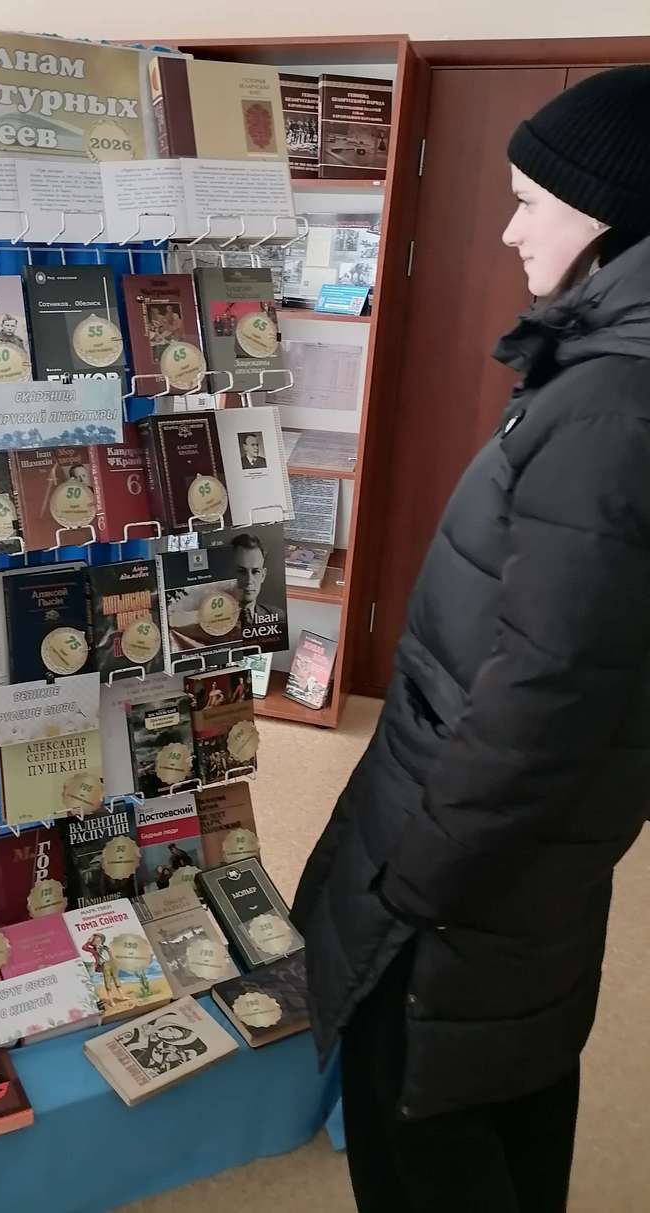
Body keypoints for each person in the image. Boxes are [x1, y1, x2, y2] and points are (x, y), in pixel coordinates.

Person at [290, 67, 650, 1213]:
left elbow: (547, 699)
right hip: (514, 867)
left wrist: (414, 876)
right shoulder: (604, 373)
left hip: (458, 876)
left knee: (428, 1121)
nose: (506, 230)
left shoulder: (610, 410)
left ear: (607, 218)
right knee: (508, 1083)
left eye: (528, 202)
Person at [231, 532, 283, 629]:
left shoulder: (279, 617)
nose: (249, 580)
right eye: (241, 571)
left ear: (263, 575)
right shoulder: (212, 620)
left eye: (255, 572)